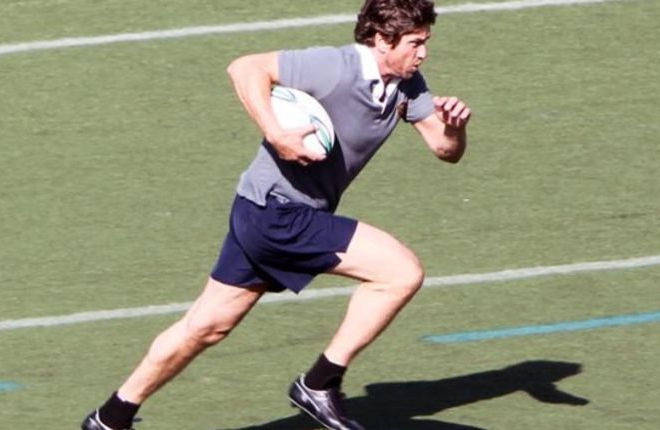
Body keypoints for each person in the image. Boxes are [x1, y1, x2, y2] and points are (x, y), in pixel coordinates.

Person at [81, 0, 471, 429]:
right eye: (415, 43)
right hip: (277, 213)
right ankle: (320, 383)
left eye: (425, 42)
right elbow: (245, 67)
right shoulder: (334, 67)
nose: (423, 53)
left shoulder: (407, 84)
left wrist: (454, 128)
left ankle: (111, 417)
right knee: (399, 272)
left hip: (259, 209)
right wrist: (276, 133)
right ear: (382, 40)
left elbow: (444, 150)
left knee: (207, 326)